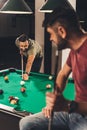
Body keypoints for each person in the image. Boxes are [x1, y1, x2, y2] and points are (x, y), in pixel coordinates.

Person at [19, 7, 87, 130]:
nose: (50, 39)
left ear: (62, 31)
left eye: (51, 33)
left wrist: (68, 105)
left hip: (83, 118)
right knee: (26, 124)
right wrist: (56, 99)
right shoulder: (75, 50)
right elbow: (63, 74)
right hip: (73, 113)